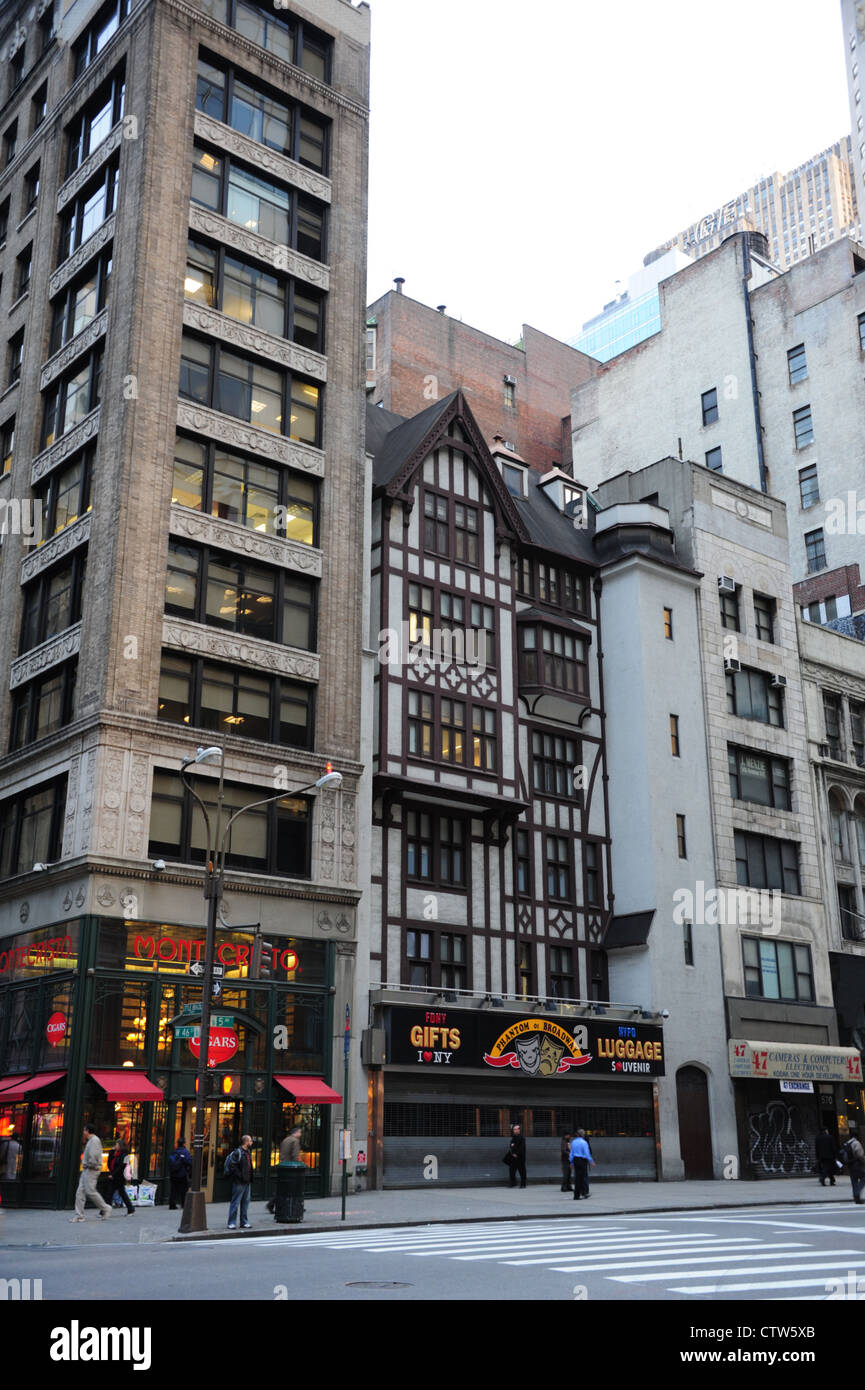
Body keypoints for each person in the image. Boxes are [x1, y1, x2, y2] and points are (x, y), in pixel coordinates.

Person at [70, 1124, 112, 1222]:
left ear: (87, 1131)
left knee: (90, 1192)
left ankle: (105, 1208)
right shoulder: (92, 1141)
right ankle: (79, 1215)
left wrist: (89, 1165)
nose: (83, 1132)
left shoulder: (94, 1141)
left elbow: (94, 1156)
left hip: (91, 1170)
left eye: (84, 1130)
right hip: (87, 1169)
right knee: (80, 1192)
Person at [267, 1126, 302, 1213]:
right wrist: (297, 1166)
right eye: (300, 1132)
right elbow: (295, 1155)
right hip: (291, 1168)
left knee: (282, 1187)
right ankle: (296, 1205)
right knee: (292, 1188)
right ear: (296, 1133)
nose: (300, 1134)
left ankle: (272, 1204)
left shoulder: (286, 1140)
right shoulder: (295, 1141)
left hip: (283, 1166)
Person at [226, 1134, 254, 1229]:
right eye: (250, 1141)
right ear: (246, 1142)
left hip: (247, 1181)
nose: (251, 1142)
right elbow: (233, 1166)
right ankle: (231, 1222)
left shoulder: (248, 1152)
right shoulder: (237, 1152)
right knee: (236, 1202)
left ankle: (244, 1222)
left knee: (245, 1202)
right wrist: (240, 1176)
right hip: (239, 1182)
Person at [108, 1138, 135, 1214]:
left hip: (119, 1177)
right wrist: (111, 1152)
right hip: (114, 1176)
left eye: (116, 1144)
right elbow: (109, 1163)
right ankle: (131, 1209)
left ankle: (104, 1211)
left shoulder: (124, 1155)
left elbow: (121, 1166)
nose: (115, 1146)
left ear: (120, 1146)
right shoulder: (115, 1154)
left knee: (116, 1193)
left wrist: (113, 1174)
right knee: (114, 1194)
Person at [569, 1129, 595, 1200]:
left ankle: (577, 1194)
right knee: (583, 1177)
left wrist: (571, 1162)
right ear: (583, 1135)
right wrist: (591, 1161)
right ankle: (583, 1192)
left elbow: (571, 1152)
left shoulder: (573, 1142)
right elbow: (587, 1153)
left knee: (577, 1177)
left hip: (575, 1160)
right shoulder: (584, 1143)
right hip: (582, 1160)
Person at [168, 1136, 193, 1210]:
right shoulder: (185, 1152)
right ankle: (183, 1204)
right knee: (184, 1189)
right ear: (184, 1144)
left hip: (173, 1174)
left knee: (173, 1189)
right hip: (182, 1174)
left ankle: (172, 1204)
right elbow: (189, 1162)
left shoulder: (174, 1152)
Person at [841, 1131, 865, 1204]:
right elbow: (860, 1154)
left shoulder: (847, 1143)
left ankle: (856, 1198)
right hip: (857, 1164)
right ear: (856, 1137)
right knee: (863, 1178)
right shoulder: (856, 1143)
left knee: (854, 1181)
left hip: (850, 1165)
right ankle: (857, 1193)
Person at [508, 1124, 526, 1189]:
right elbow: (511, 1145)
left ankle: (523, 1184)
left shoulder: (522, 1138)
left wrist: (516, 1153)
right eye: (514, 1129)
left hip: (520, 1157)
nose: (514, 1131)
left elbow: (521, 1147)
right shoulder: (513, 1137)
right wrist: (513, 1153)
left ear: (519, 1130)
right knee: (511, 1170)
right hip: (513, 1156)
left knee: (522, 1171)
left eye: (516, 1129)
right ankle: (513, 1183)